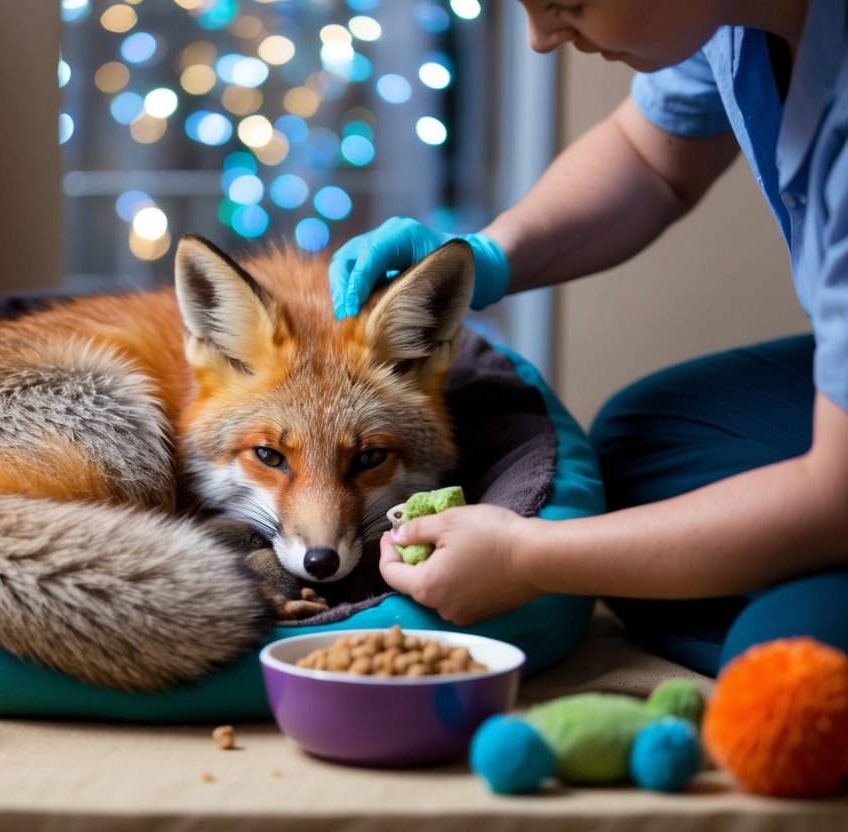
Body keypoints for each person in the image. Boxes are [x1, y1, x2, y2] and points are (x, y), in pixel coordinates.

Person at [330, 0, 848, 676]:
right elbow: (651, 157)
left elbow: (835, 495)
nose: (540, 40)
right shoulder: (731, 22)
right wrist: (489, 256)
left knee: (780, 656)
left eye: (566, 4)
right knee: (634, 450)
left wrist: (527, 560)